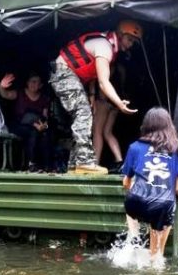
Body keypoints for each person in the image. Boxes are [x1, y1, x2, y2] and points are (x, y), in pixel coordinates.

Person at [49, 19, 141, 174]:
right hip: (63, 72)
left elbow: (92, 74)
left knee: (82, 116)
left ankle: (74, 164)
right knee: (83, 113)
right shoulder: (105, 47)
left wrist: (91, 95)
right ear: (120, 34)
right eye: (129, 39)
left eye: (133, 42)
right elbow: (104, 82)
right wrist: (119, 103)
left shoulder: (109, 48)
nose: (131, 44)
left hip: (71, 76)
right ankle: (84, 162)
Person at [122, 107, 178, 262]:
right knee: (156, 257)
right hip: (162, 206)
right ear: (169, 126)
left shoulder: (134, 147)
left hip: (136, 202)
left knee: (132, 197)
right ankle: (156, 257)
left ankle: (134, 236)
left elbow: (126, 182)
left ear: (145, 126)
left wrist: (137, 187)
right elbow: (177, 188)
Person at [0, 72, 51, 172]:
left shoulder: (44, 99)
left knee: (46, 134)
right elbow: (5, 94)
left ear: (40, 85)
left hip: (37, 127)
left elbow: (45, 117)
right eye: (32, 81)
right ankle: (31, 163)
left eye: (36, 82)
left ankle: (46, 166)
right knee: (32, 132)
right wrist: (2, 86)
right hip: (18, 126)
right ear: (27, 83)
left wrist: (45, 126)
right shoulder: (19, 93)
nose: (33, 84)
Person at [91, 62, 126, 172]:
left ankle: (95, 163)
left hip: (103, 100)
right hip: (115, 103)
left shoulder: (104, 64)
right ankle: (119, 161)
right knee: (107, 132)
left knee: (97, 131)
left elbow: (103, 81)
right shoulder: (120, 68)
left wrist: (95, 96)